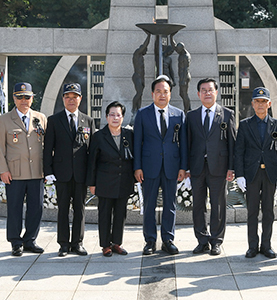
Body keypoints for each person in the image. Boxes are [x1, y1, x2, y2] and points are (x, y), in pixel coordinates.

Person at [134, 75, 188, 255]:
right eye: (158, 91)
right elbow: (137, 143)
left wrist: (183, 167)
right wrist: (137, 167)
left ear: (170, 94)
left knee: (170, 204)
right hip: (149, 166)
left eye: (166, 92)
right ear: (152, 94)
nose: (162, 95)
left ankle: (168, 239)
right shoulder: (142, 114)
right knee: (149, 204)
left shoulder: (178, 114)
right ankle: (150, 240)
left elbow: (183, 144)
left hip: (172, 167)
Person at [0, 82, 48, 257]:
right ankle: (16, 241)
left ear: (32, 98)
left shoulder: (40, 118)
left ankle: (30, 239)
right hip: (14, 172)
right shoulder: (3, 120)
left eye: (27, 97)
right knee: (15, 207)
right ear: (13, 98)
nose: (23, 100)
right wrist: (3, 170)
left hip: (37, 171)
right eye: (20, 97)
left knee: (36, 207)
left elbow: (47, 146)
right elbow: (0, 148)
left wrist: (48, 170)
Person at [235, 87, 277, 259]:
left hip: (270, 174)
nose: (260, 105)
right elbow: (239, 151)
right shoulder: (244, 125)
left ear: (269, 104)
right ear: (252, 103)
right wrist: (240, 175)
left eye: (264, 101)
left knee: (268, 211)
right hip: (251, 174)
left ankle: (266, 245)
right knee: (251, 212)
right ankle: (252, 246)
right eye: (257, 101)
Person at [43, 83, 95, 257]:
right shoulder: (54, 120)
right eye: (68, 97)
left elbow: (92, 151)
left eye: (75, 97)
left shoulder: (88, 121)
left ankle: (77, 243)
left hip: (81, 174)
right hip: (62, 172)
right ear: (63, 99)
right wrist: (48, 171)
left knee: (80, 209)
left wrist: (92, 175)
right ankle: (64, 244)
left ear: (80, 99)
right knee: (63, 209)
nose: (71, 100)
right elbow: (47, 148)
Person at [186, 78, 236, 256]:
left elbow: (232, 143)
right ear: (198, 94)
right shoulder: (191, 116)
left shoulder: (227, 114)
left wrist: (231, 167)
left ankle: (216, 241)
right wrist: (186, 168)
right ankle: (202, 240)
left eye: (210, 90)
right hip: (197, 167)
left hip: (219, 167)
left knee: (218, 205)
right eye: (203, 90)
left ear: (216, 92)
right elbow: (187, 144)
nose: (207, 93)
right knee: (198, 205)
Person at [87, 101, 135, 257]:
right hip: (105, 181)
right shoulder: (99, 136)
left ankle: (117, 243)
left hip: (124, 180)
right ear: (107, 117)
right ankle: (105, 245)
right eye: (112, 114)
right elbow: (92, 161)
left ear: (123, 117)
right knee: (105, 213)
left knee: (121, 214)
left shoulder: (129, 135)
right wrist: (92, 183)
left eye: (118, 115)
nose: (115, 118)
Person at [132, 32, 151, 117]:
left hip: (141, 77)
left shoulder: (141, 57)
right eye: (145, 51)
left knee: (140, 94)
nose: (146, 52)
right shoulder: (137, 54)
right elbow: (144, 45)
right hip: (137, 76)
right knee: (139, 93)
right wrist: (148, 36)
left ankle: (138, 109)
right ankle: (133, 108)